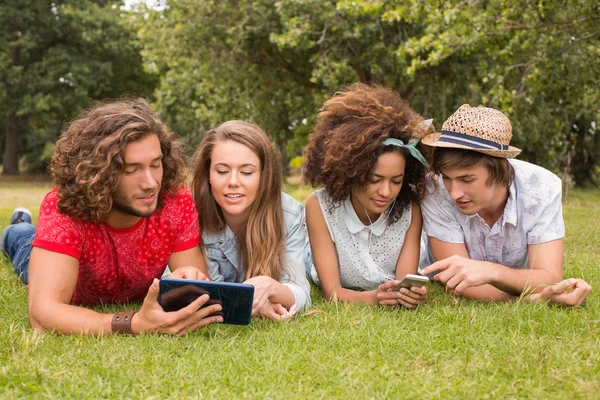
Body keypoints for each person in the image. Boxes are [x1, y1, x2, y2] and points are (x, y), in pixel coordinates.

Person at [0, 98, 223, 336]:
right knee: (23, 244)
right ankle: (17, 227)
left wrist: (187, 279)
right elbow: (42, 314)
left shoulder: (176, 200)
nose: (151, 184)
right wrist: (132, 324)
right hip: (55, 260)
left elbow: (197, 283)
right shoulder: (63, 207)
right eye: (131, 170)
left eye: (156, 164)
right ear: (99, 172)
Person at [419, 104, 592, 306]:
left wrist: (493, 272)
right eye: (447, 177)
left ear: (498, 173)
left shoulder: (542, 189)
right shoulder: (434, 189)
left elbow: (550, 276)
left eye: (467, 180)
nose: (454, 192)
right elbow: (457, 281)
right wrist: (534, 299)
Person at [302, 84, 431, 308]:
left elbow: (403, 283)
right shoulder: (319, 206)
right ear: (350, 172)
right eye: (374, 180)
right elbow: (332, 293)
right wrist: (374, 299)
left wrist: (408, 295)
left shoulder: (411, 209)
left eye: (396, 181)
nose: (386, 192)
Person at [191, 120, 311, 320]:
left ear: (264, 176)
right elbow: (176, 283)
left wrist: (271, 287)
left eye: (246, 172)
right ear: (208, 174)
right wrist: (248, 300)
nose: (233, 182)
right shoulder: (191, 215)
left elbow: (302, 294)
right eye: (222, 171)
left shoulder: (289, 214)